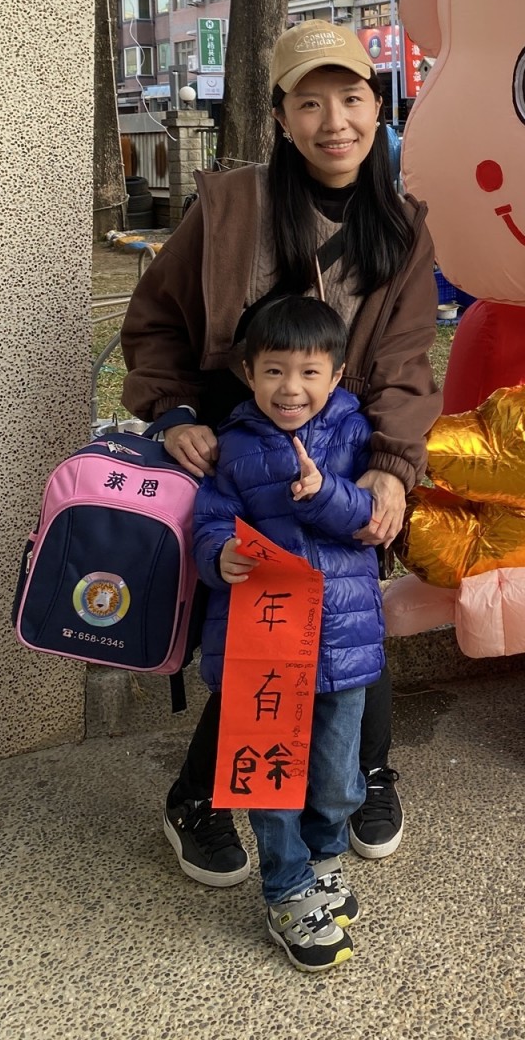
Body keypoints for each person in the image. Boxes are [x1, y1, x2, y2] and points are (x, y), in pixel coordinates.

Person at [121, 19, 440, 884]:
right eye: (310, 103)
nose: (334, 122)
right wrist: (175, 413)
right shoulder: (232, 208)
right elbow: (155, 320)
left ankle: (366, 773)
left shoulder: (403, 226)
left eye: (351, 98)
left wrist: (391, 468)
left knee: (350, 606)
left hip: (345, 453)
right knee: (259, 633)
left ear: (378, 104)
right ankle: (198, 796)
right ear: (280, 117)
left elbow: (406, 361)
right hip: (245, 456)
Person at [192, 295, 381, 972]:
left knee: (336, 779)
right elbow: (209, 520)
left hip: (341, 639)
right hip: (263, 646)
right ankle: (288, 889)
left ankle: (324, 857)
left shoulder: (356, 434)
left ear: (336, 375)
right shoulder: (235, 446)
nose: (290, 388)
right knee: (270, 778)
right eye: (274, 371)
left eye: (308, 372)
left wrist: (323, 492)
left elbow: (369, 519)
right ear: (248, 373)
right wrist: (218, 555)